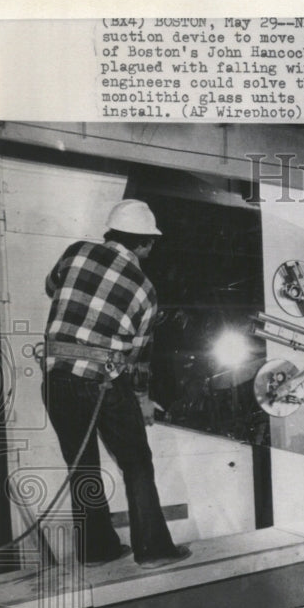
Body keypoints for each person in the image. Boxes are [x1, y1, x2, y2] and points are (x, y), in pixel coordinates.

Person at [43, 200, 192, 569]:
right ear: (144, 243)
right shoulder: (145, 291)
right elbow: (138, 359)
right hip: (102, 385)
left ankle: (97, 550)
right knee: (137, 462)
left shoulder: (76, 252)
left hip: (56, 379)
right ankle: (154, 550)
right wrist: (142, 398)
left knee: (82, 467)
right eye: (150, 243)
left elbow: (52, 286)